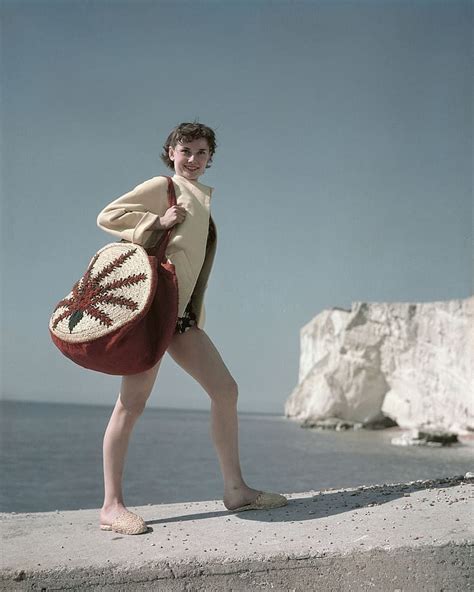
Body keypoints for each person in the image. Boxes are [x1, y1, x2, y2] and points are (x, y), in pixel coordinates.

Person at [96, 122, 287, 535]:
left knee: (225, 391)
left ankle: (235, 490)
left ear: (210, 158)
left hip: (181, 320)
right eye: (186, 150)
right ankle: (111, 506)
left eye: (202, 153)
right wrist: (157, 222)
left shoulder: (203, 200)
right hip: (151, 315)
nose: (193, 160)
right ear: (170, 151)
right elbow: (107, 216)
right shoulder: (163, 185)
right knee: (130, 407)